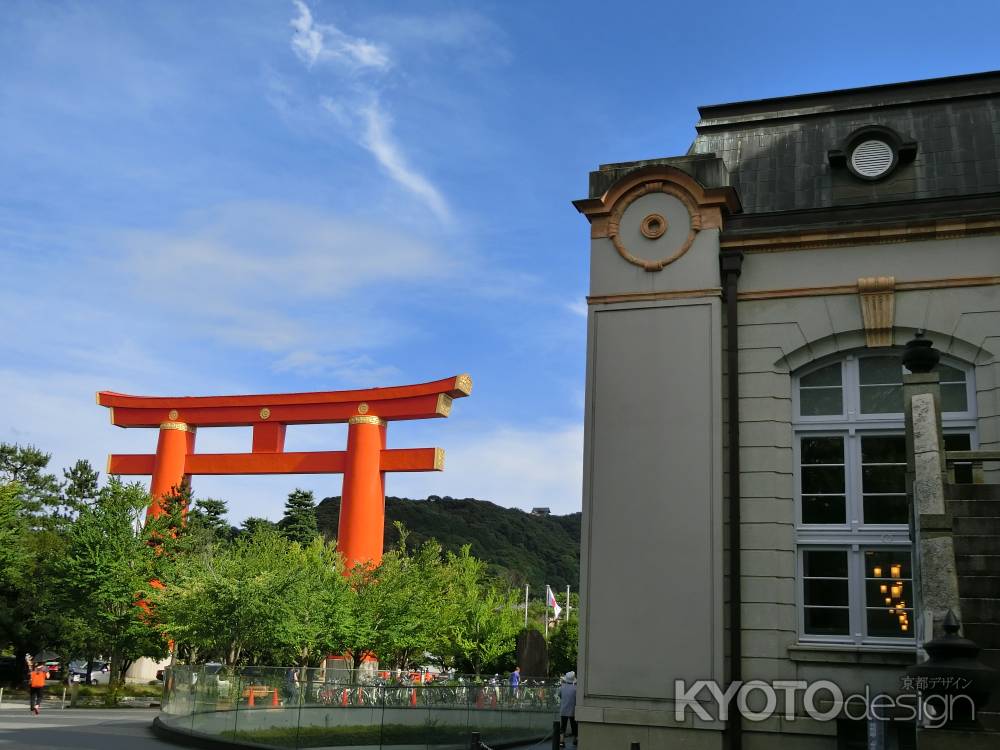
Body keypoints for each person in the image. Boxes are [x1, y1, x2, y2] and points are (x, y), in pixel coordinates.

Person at [558, 671, 577, 747]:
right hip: (573, 710)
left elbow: (560, 695)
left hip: (564, 709)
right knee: (574, 725)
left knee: (563, 726)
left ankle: (561, 741)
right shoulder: (576, 688)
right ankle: (575, 739)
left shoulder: (562, 687)